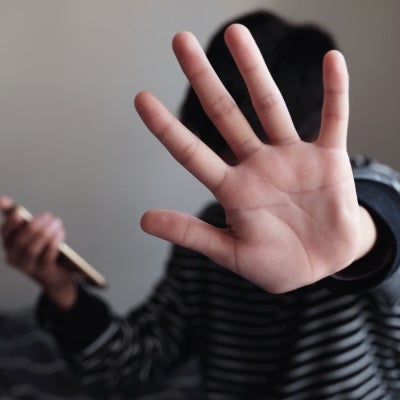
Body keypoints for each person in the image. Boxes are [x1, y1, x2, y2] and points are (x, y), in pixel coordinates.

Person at [1, 10, 400, 400]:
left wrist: (359, 243)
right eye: (229, 157)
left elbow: (386, 226)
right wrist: (59, 287)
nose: (243, 185)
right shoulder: (210, 238)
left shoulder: (366, 194)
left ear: (310, 131)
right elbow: (131, 363)